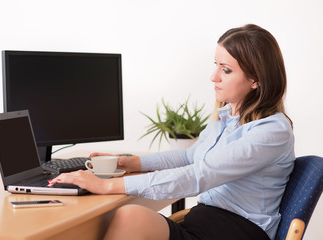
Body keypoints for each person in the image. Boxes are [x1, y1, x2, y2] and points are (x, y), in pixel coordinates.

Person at [48, 24, 295, 240]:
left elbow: (199, 175)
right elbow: (189, 157)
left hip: (235, 231)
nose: (213, 77)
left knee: (130, 217)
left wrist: (108, 186)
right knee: (120, 220)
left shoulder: (271, 131)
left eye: (226, 70)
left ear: (256, 80)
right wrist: (130, 162)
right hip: (203, 223)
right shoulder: (227, 120)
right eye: (216, 65)